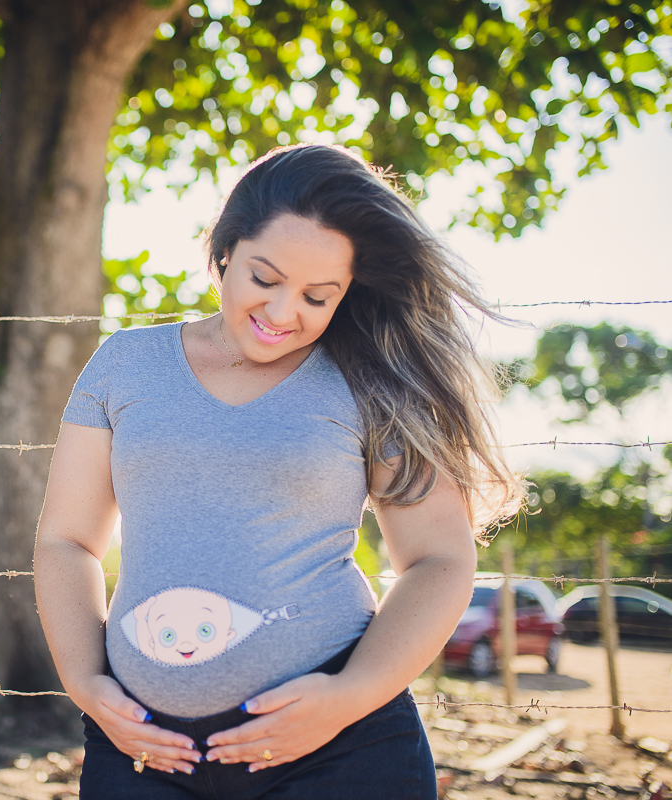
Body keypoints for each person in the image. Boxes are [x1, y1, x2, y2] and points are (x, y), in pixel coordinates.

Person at [32, 143, 525, 799]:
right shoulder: (124, 364)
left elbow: (440, 559)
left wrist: (348, 697)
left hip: (337, 753)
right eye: (265, 279)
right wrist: (86, 684)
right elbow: (67, 539)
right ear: (226, 250)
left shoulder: (370, 380)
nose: (283, 313)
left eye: (318, 296)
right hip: (143, 751)